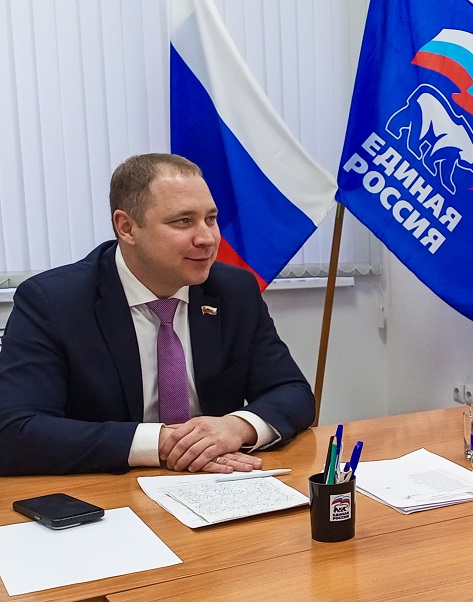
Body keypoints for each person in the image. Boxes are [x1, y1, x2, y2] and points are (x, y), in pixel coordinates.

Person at [0, 153, 315, 476]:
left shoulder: (234, 291)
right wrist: (163, 443)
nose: (207, 238)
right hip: (108, 488)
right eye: (183, 221)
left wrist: (236, 427)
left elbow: (293, 392)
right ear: (126, 228)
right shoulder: (53, 301)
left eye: (210, 218)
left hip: (219, 481)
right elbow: (15, 431)